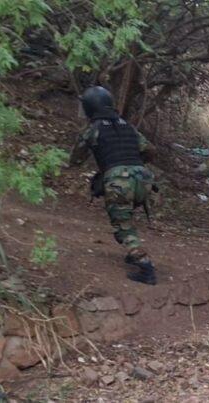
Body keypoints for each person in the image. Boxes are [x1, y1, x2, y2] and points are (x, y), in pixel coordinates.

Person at [69, 86, 157, 285]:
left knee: (122, 224)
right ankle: (132, 249)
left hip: (119, 181)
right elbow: (150, 149)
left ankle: (145, 265)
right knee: (125, 211)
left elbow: (75, 159)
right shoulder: (127, 126)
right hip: (143, 179)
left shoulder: (94, 129)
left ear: (90, 107)